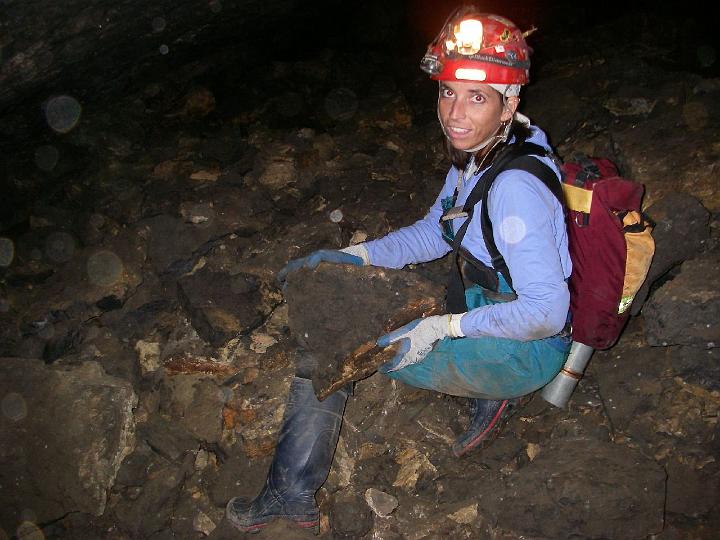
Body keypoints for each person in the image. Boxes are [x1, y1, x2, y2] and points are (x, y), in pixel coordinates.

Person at [226, 6, 572, 533]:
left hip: (522, 346)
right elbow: (436, 232)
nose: (455, 112)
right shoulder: (484, 154)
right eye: (447, 92)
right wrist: (354, 257)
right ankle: (476, 377)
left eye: (477, 97)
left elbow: (547, 311)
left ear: (509, 104)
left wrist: (439, 329)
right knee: (389, 297)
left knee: (331, 347)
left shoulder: (513, 188)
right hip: (490, 303)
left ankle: (288, 494)